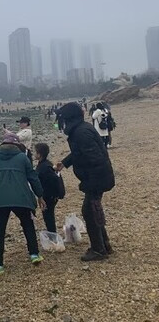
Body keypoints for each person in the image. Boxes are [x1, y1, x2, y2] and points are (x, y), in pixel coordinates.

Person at [53, 101, 115, 261]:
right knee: (93, 210)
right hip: (97, 177)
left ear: (69, 119)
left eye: (63, 119)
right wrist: (64, 163)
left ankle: (98, 250)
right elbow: (78, 153)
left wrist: (89, 182)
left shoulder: (81, 133)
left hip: (97, 178)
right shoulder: (81, 129)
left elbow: (95, 159)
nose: (62, 122)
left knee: (89, 211)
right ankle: (104, 245)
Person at [0, 132, 46, 274]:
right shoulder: (22, 158)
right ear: (17, 145)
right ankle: (34, 254)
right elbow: (33, 178)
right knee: (27, 225)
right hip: (22, 198)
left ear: (3, 144)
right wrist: (40, 195)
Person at [34, 142, 65, 234]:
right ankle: (52, 233)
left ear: (39, 154)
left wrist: (50, 196)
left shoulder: (44, 167)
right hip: (48, 195)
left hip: (49, 196)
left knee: (48, 216)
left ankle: (53, 235)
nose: (34, 154)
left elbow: (52, 181)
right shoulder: (45, 164)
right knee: (47, 215)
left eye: (35, 152)